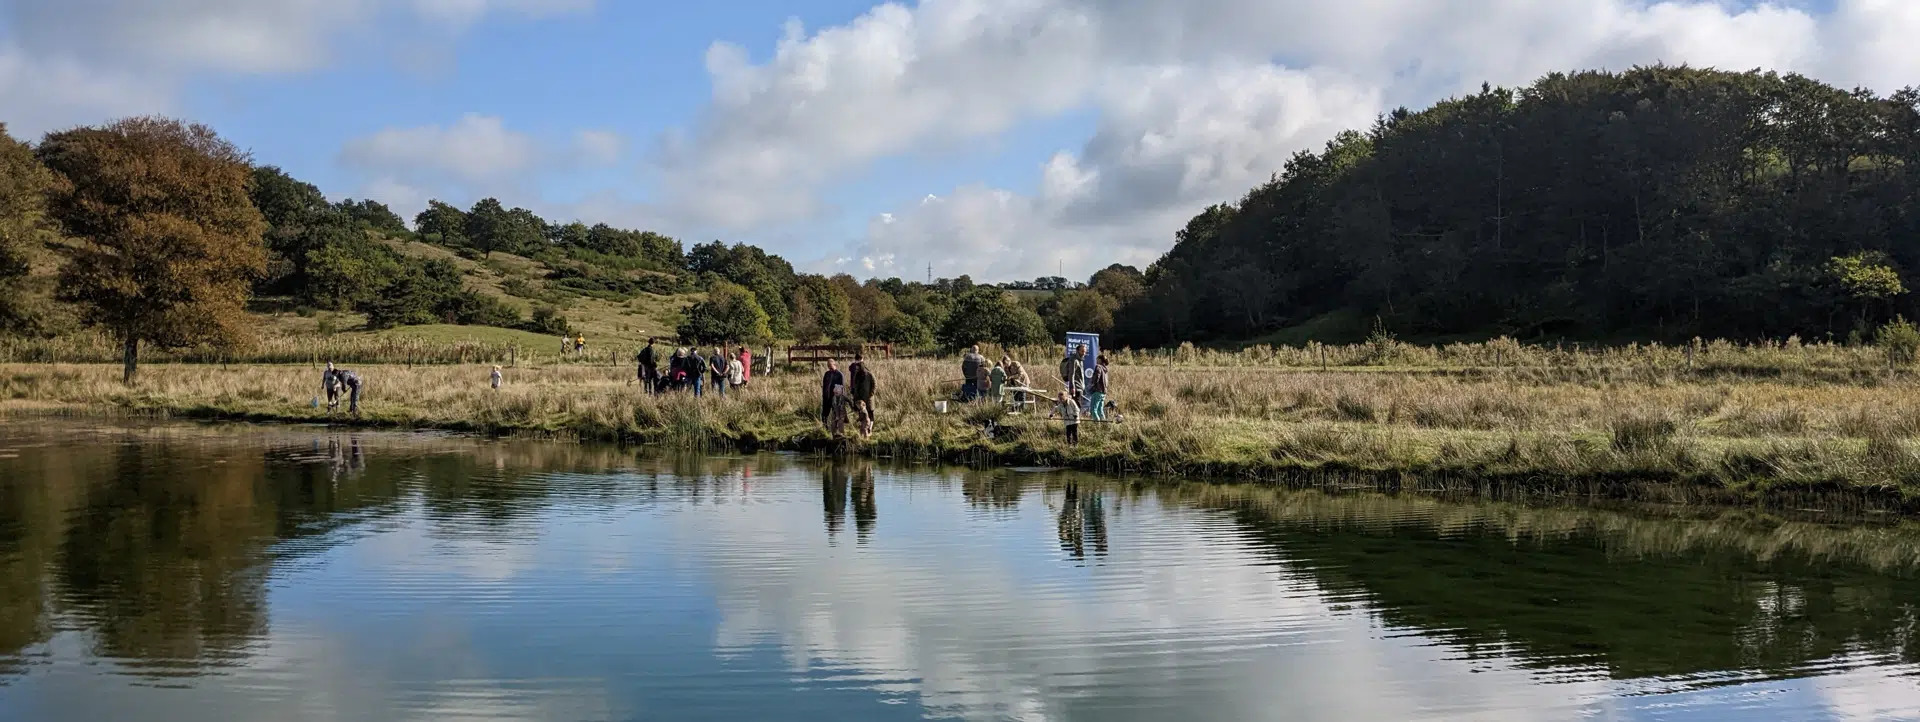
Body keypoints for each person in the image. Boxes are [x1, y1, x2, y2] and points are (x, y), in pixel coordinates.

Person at [848, 351, 875, 437]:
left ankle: (868, 429)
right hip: (859, 396)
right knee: (862, 412)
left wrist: (871, 394)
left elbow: (874, 384)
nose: (858, 367)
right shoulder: (856, 371)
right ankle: (865, 429)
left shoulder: (868, 373)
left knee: (869, 412)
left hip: (866, 396)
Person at [820, 359, 844, 424]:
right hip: (826, 397)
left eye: (831, 366)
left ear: (834, 365)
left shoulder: (839, 374)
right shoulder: (827, 374)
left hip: (835, 397)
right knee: (825, 413)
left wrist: (839, 398)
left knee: (835, 413)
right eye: (828, 366)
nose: (830, 368)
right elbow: (824, 385)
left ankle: (835, 427)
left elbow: (841, 387)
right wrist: (824, 395)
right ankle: (825, 426)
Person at [1088, 354, 1110, 421]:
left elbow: (1096, 377)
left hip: (1097, 391)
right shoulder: (1105, 369)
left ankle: (1097, 426)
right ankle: (1104, 425)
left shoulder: (1098, 367)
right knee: (1100, 410)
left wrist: (1091, 384)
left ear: (1100, 360)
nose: (1096, 360)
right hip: (1103, 392)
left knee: (1093, 410)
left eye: (1097, 359)